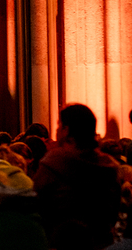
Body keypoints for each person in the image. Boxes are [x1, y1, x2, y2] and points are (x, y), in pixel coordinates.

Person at [33, 103, 120, 250]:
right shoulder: (110, 168)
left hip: (61, 244)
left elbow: (37, 208)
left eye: (59, 125)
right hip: (102, 243)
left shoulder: (52, 165)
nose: (56, 130)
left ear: (66, 130)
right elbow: (113, 213)